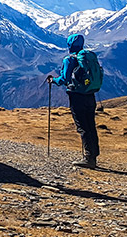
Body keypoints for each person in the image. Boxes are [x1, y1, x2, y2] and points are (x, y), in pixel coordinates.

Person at [47, 33, 100, 168]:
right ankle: (93, 155)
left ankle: (88, 158)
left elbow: (64, 79)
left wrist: (53, 80)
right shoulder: (88, 57)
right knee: (91, 125)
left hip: (77, 97)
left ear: (69, 45)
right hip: (90, 95)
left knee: (83, 127)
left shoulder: (69, 59)